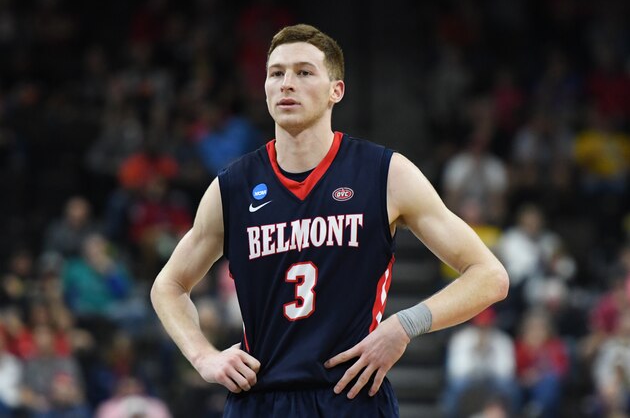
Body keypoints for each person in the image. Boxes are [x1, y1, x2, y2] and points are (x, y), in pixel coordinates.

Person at [150, 24, 509, 417]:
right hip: (260, 398)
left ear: (336, 91)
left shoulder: (385, 174)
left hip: (352, 398)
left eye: (304, 72)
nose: (287, 83)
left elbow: (490, 275)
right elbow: (168, 285)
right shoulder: (232, 187)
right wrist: (204, 357)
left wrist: (405, 324)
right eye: (276, 73)